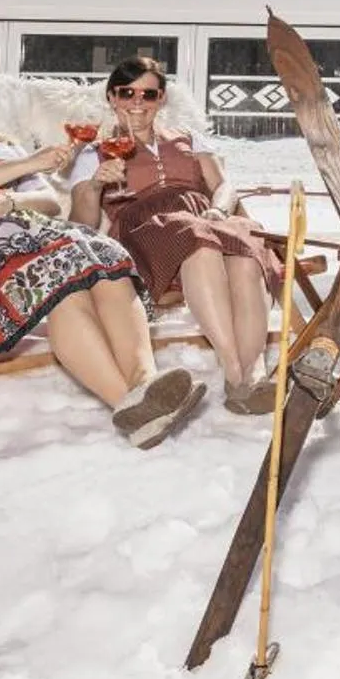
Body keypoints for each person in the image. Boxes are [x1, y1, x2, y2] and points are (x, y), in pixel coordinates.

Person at [0, 46, 206, 447]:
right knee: (63, 276)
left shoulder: (2, 144)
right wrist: (25, 166)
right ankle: (127, 403)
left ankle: (145, 384)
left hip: (33, 234)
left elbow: (47, 203)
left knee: (105, 255)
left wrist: (8, 200)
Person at [69, 57, 284, 417]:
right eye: (127, 92)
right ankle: (233, 370)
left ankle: (252, 373)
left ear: (161, 99)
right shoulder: (93, 152)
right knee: (193, 237)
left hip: (205, 216)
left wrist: (218, 209)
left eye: (148, 94)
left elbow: (223, 186)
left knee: (244, 251)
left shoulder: (188, 138)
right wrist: (94, 184)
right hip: (145, 227)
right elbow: (82, 223)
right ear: (112, 97)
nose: (138, 102)